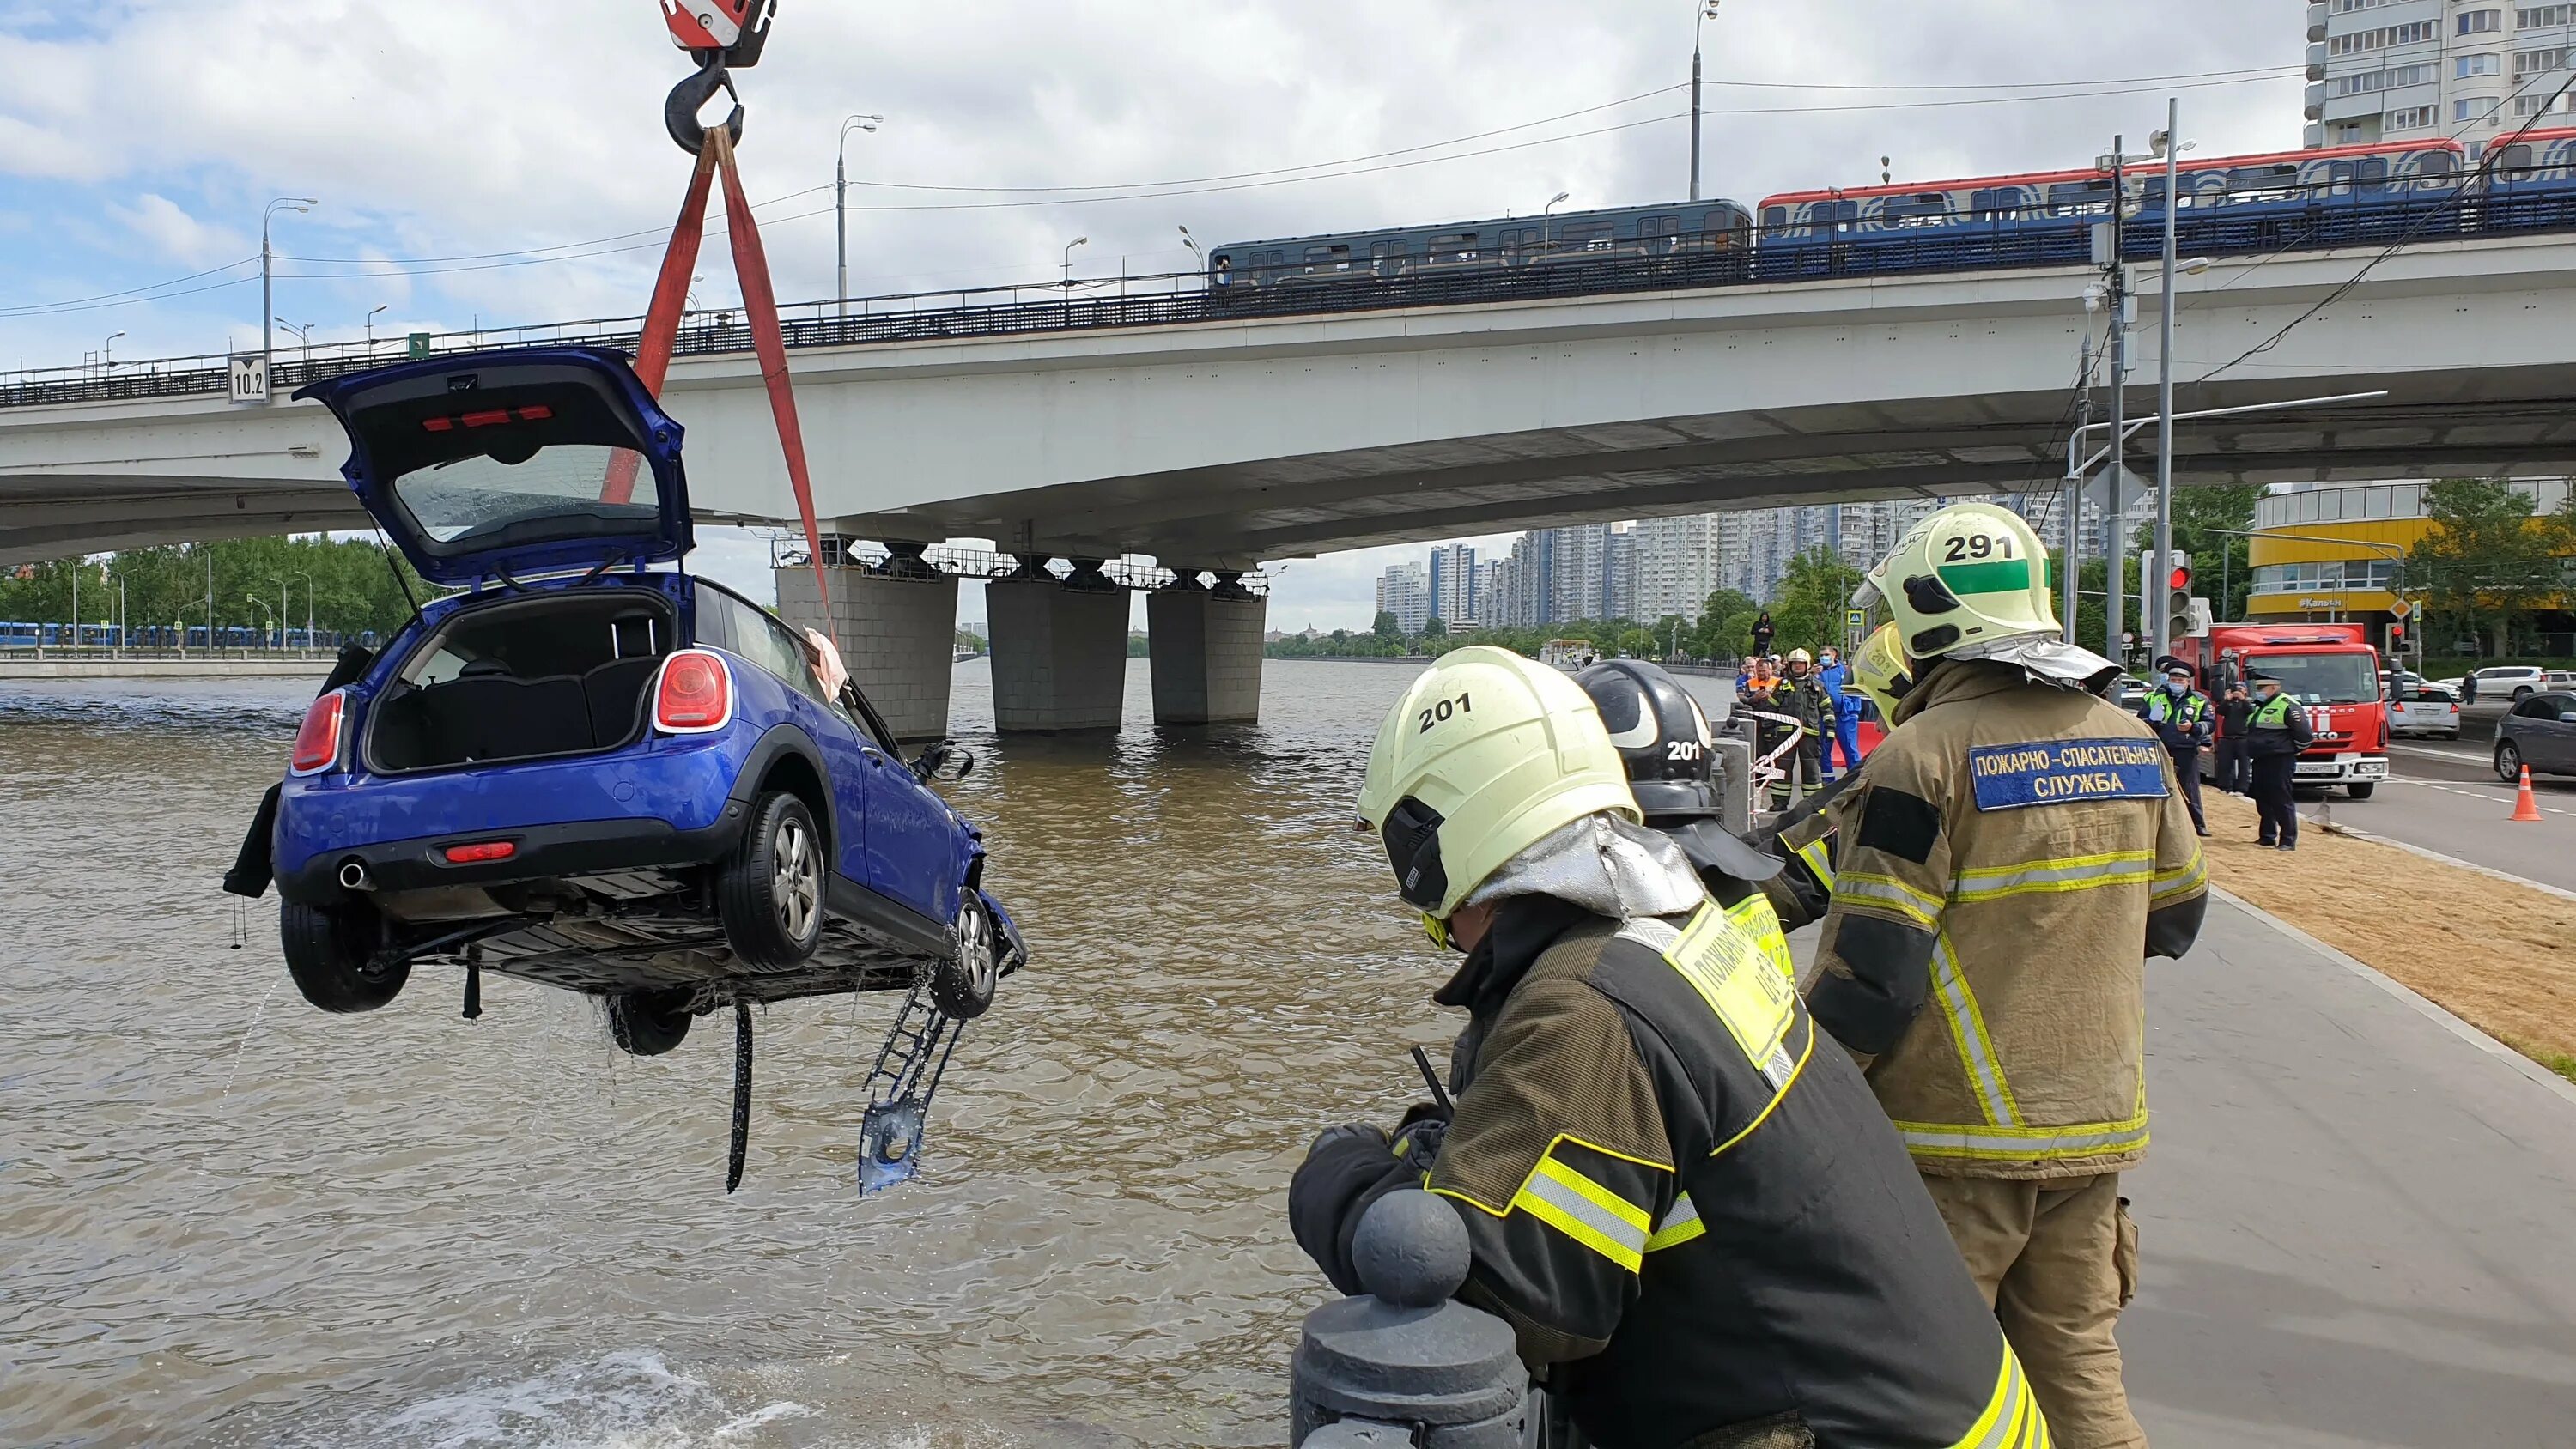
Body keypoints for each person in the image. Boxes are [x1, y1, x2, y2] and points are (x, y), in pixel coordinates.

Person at [1292, 646, 2051, 1449]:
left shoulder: (1580, 1005)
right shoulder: (1673, 937)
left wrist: (1342, 1184)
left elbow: (1512, 1295)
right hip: (1947, 1413)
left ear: (1431, 841)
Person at [1807, 502, 2208, 1446]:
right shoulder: (2128, 737)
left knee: (1923, 1388)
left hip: (1953, 1142)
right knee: (2079, 1373)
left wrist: (1802, 1100)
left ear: (1929, 611)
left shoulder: (1923, 753)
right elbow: (2181, 912)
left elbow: (1873, 968)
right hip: (2095, 1124)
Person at [2140, 660, 2214, 837]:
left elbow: (2210, 724)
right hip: (2160, 747)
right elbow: (2141, 721)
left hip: (2186, 749)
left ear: (2188, 682)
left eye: (2181, 680)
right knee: (2158, 787)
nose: (2177, 683)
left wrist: (2193, 728)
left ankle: (2197, 825)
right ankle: (2158, 826)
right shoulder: (2154, 697)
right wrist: (2152, 723)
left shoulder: (2199, 700)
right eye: (2173, 679)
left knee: (2189, 788)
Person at [2245, 670, 2314, 851]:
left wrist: (2293, 751)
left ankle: (2288, 839)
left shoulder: (2287, 705)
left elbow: (2304, 734)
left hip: (2280, 759)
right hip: (2261, 758)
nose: (2258, 690)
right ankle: (2267, 836)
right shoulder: (2259, 705)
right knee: (2263, 798)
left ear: (2274, 688)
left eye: (2262, 687)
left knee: (2281, 799)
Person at [1778, 647, 1831, 801]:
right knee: (1783, 769)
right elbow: (1771, 707)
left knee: (1811, 770)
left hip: (1809, 735)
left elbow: (1827, 708)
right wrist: (1770, 731)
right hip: (1786, 735)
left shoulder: (1817, 686)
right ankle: (1779, 803)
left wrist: (1830, 729)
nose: (1797, 666)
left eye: (1801, 664)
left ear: (1807, 665)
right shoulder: (1782, 685)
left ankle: (1813, 803)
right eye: (1795, 664)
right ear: (1790, 666)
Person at [1815, 645, 1867, 779]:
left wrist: (1855, 711)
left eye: (1826, 655)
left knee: (1850, 749)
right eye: (1821, 655)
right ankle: (1828, 780)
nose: (1823, 658)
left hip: (1845, 716)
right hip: (1824, 716)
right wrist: (1811, 674)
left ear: (1834, 655)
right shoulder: (1816, 672)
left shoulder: (1845, 670)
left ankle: (1855, 779)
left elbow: (1855, 690)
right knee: (1824, 751)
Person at [2210, 677, 2254, 796]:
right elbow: (2220, 711)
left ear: (2245, 691)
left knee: (2244, 766)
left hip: (2243, 738)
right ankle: (2225, 787)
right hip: (2228, 738)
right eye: (2235, 689)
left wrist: (2243, 700)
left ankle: (2242, 789)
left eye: (2240, 689)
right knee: (2225, 764)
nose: (2237, 692)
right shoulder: (2229, 703)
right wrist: (2226, 700)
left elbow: (2251, 711)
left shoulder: (2248, 702)